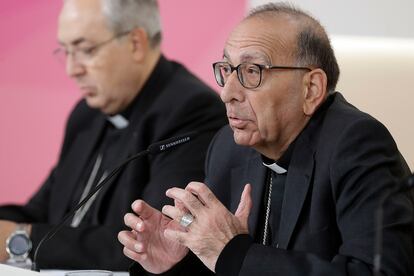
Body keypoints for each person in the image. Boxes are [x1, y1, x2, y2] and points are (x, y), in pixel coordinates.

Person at [118, 3, 414, 276]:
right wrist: (175, 264)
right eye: (226, 70)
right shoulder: (227, 147)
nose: (227, 93)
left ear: (311, 89)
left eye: (252, 71)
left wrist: (236, 254)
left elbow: (380, 271)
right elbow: (222, 265)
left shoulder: (357, 145)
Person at [0, 0, 226, 271]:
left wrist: (22, 240)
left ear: (135, 43)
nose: (72, 69)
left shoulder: (191, 111)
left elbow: (149, 240)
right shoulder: (87, 114)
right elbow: (42, 211)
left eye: (85, 50)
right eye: (66, 52)